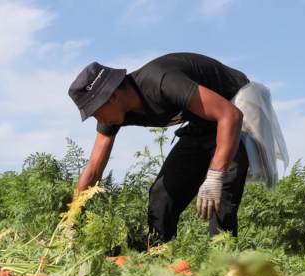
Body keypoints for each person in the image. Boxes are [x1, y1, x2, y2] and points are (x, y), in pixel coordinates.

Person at [68, 52, 285, 244]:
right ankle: (157, 252)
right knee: (162, 192)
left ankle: (223, 263)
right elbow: (94, 169)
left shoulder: (162, 82)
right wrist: (72, 219)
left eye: (96, 111)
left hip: (234, 106)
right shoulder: (113, 114)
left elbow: (230, 115)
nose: (97, 118)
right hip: (202, 121)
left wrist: (214, 175)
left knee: (222, 190)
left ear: (112, 97)